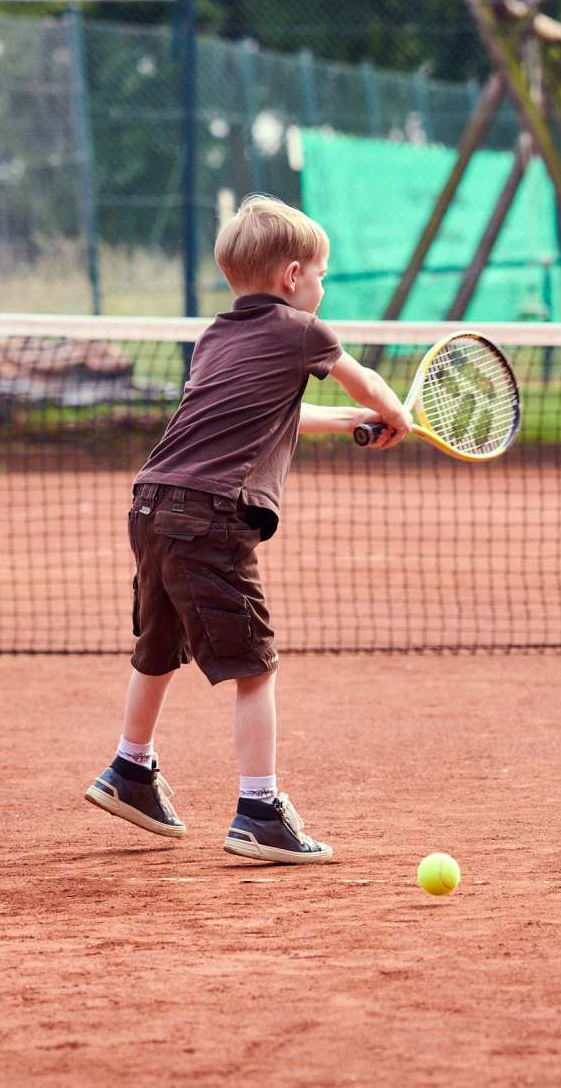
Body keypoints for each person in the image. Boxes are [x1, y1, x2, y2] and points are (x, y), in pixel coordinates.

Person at [83, 195, 413, 864]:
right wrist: (394, 412)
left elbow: (280, 411)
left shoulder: (215, 335)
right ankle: (259, 810)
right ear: (293, 276)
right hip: (211, 515)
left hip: (151, 504)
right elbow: (367, 380)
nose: (322, 288)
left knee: (158, 646)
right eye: (321, 275)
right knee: (256, 667)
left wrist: (356, 422)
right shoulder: (304, 329)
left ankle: (129, 768)